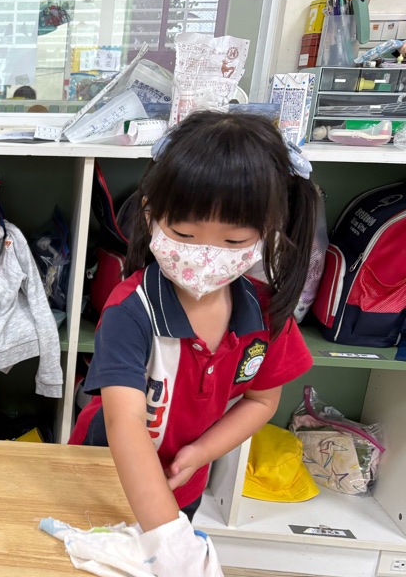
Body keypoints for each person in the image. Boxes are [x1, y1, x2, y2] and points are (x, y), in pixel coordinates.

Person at [69, 111, 318, 531]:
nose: (205, 254)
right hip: (101, 480)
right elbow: (124, 422)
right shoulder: (131, 309)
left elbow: (261, 401)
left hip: (182, 487)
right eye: (185, 234)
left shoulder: (266, 313)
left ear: (268, 232)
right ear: (151, 216)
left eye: (234, 240)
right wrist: (169, 537)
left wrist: (202, 453)